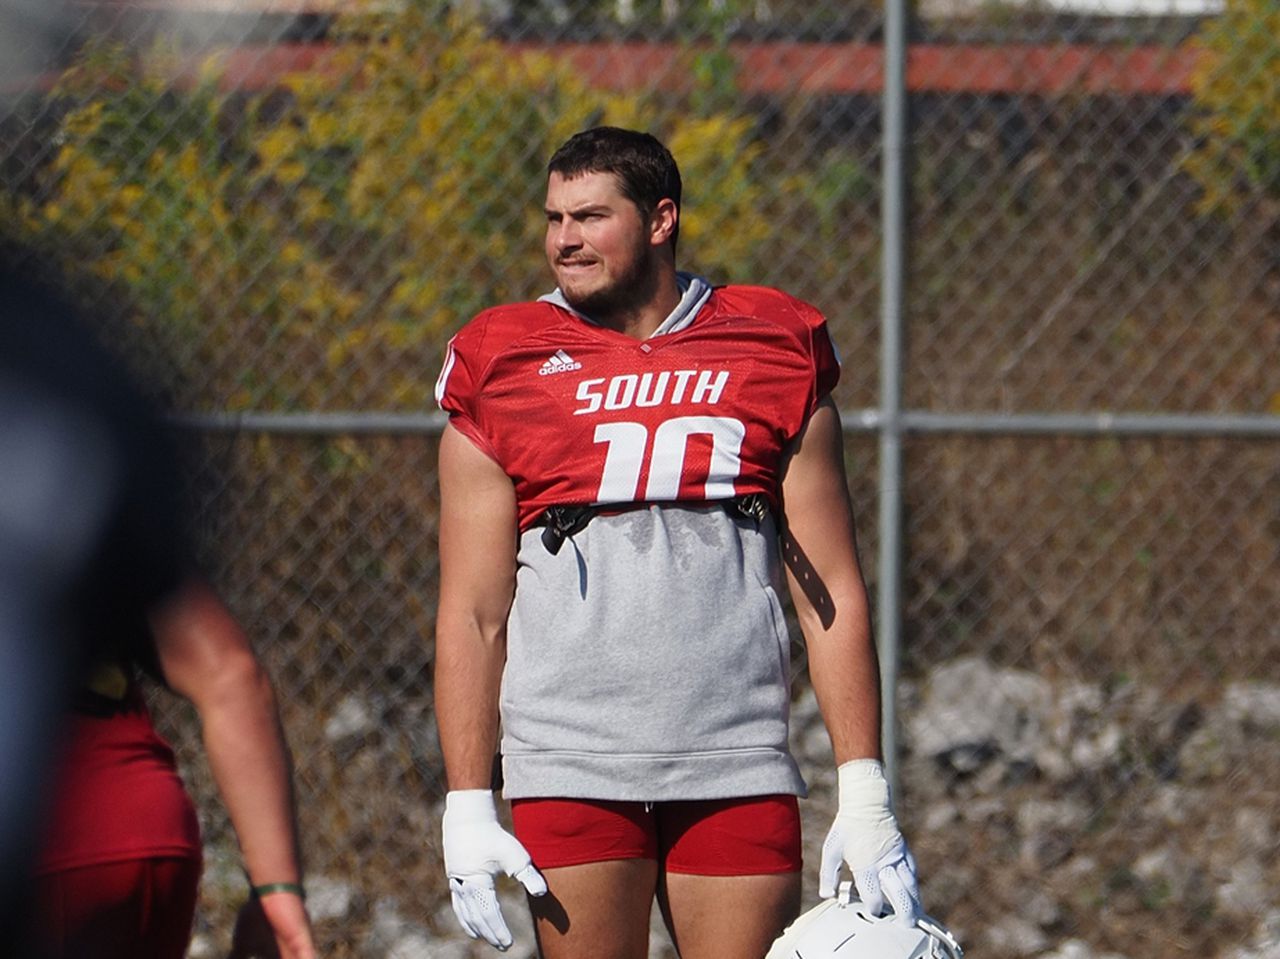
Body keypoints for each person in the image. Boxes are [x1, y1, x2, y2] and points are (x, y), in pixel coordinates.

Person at [433, 126, 923, 958]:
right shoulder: (500, 358)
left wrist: (863, 784)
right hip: (570, 754)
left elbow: (829, 588)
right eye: (554, 218)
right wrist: (467, 799)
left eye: (590, 216)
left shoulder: (773, 343)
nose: (564, 240)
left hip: (734, 752)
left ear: (661, 218)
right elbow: (475, 611)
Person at [0, 263, 317, 959]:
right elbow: (229, 672)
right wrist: (276, 891)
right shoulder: (63, 464)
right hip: (135, 826)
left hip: (45, 828)